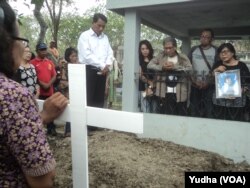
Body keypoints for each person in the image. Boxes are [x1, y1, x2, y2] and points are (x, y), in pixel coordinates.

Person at [0, 1, 68, 187]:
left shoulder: (49, 63)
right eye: (21, 40)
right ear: (7, 42)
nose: (23, 48)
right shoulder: (11, 95)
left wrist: (41, 117)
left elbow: (11, 131)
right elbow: (43, 179)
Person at [147, 37, 192, 116]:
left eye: (170, 48)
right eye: (165, 48)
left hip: (180, 91)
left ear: (175, 47)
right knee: (167, 114)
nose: (167, 50)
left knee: (180, 114)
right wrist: (162, 67)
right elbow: (149, 65)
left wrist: (175, 67)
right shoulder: (161, 56)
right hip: (164, 91)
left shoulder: (182, 57)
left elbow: (190, 69)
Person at [77, 13, 113, 108]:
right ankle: (86, 123)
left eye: (103, 26)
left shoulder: (105, 38)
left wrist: (108, 65)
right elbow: (86, 55)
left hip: (102, 73)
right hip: (89, 71)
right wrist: (102, 65)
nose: (101, 28)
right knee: (88, 100)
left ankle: (96, 122)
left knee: (99, 101)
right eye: (99, 25)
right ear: (93, 23)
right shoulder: (85, 36)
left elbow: (110, 53)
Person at [212, 43, 250, 121]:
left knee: (236, 123)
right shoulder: (218, 64)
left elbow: (247, 82)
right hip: (220, 102)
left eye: (225, 52)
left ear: (232, 53)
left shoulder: (242, 65)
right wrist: (216, 70)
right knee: (220, 122)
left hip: (237, 102)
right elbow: (209, 79)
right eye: (221, 53)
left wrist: (240, 91)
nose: (223, 54)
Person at [188, 28, 217, 118]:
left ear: (211, 39)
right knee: (194, 108)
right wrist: (194, 80)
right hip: (195, 85)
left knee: (209, 109)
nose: (203, 38)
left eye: (206, 37)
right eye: (202, 36)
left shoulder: (216, 50)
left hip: (210, 86)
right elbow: (188, 66)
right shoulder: (194, 49)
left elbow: (217, 68)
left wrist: (207, 82)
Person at [31, 42, 58, 136]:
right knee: (39, 110)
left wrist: (48, 84)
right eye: (41, 50)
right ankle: (38, 130)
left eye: (45, 49)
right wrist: (43, 84)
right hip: (39, 92)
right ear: (37, 51)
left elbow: (54, 75)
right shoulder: (33, 63)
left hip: (50, 91)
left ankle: (51, 129)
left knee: (51, 109)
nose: (44, 51)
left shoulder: (49, 62)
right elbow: (33, 76)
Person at [60, 47, 79, 137]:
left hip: (77, 91)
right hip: (68, 92)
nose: (75, 58)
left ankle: (76, 129)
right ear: (68, 57)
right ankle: (68, 131)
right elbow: (63, 81)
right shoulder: (65, 66)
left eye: (76, 56)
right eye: (73, 56)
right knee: (70, 110)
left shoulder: (78, 66)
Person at [138, 40, 158, 113]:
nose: (145, 51)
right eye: (142, 49)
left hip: (154, 89)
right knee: (146, 111)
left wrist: (153, 85)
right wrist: (149, 82)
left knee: (155, 110)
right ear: (140, 50)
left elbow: (158, 74)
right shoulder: (138, 60)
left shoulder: (154, 60)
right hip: (143, 88)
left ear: (150, 49)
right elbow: (140, 75)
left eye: (147, 48)